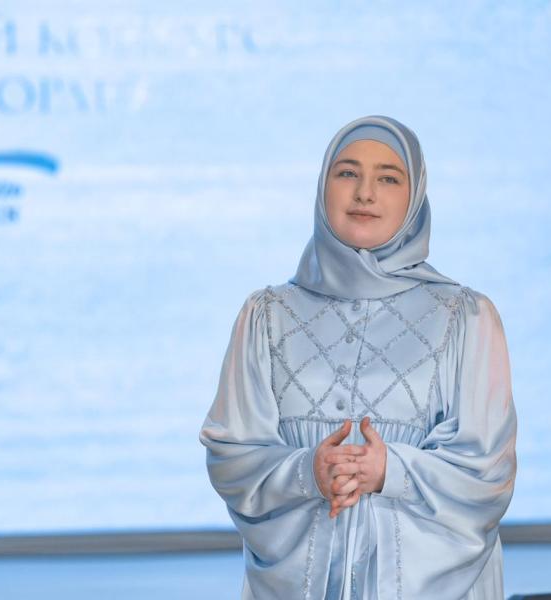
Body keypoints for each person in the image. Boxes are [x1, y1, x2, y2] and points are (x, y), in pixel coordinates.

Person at [199, 115, 517, 599]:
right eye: (347, 173)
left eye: (388, 178)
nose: (365, 193)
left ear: (415, 197)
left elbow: (487, 470)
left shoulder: (465, 317)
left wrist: (390, 470)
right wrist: (307, 473)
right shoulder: (267, 316)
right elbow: (233, 454)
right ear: (322, 186)